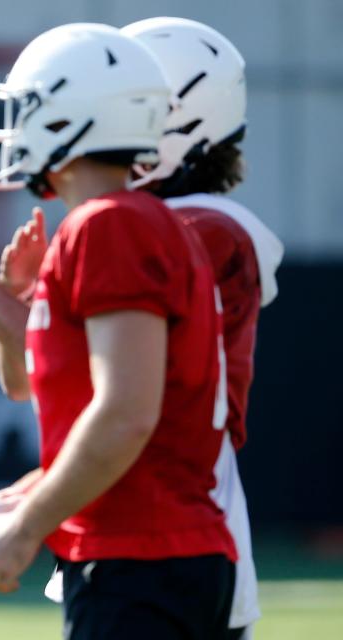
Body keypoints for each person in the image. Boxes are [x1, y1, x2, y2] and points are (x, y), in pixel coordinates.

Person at [0, 23, 236, 638]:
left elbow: (126, 413)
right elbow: (40, 391)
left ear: (71, 115)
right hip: (145, 555)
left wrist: (24, 530)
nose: (16, 128)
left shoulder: (109, 226)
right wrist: (30, 494)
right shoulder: (122, 224)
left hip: (142, 561)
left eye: (29, 108)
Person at [123, 17, 284, 639]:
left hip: (172, 530)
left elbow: (134, 402)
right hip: (151, 523)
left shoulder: (200, 230)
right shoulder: (177, 224)